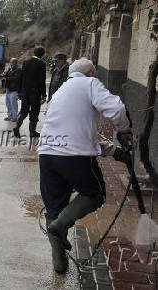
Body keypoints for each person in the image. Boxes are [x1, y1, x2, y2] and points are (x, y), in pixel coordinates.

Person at [38, 58, 132, 274]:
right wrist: (124, 130)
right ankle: (59, 227)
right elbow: (117, 110)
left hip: (47, 154)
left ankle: (59, 262)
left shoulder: (59, 93)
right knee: (95, 193)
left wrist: (114, 151)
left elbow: (81, 133)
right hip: (74, 156)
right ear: (91, 73)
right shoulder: (89, 84)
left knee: (54, 206)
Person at [14, 46, 47, 138]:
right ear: (43, 54)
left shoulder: (26, 62)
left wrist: (19, 91)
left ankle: (17, 128)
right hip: (35, 93)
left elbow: (21, 77)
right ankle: (32, 132)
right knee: (34, 112)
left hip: (25, 91)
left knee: (23, 111)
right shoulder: (42, 64)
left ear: (34, 53)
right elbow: (42, 81)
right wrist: (43, 94)